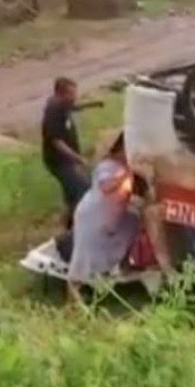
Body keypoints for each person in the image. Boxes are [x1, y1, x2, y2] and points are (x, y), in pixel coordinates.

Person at [66, 133, 139, 304]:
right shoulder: (108, 166)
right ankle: (72, 300)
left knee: (131, 225)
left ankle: (114, 271)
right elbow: (106, 187)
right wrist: (127, 174)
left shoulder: (124, 168)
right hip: (92, 217)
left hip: (112, 218)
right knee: (82, 260)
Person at [41, 77, 102, 227]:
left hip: (68, 160)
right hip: (59, 161)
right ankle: (80, 224)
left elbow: (74, 107)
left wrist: (93, 104)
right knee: (83, 188)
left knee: (71, 193)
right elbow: (57, 142)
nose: (74, 97)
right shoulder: (53, 112)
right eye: (71, 94)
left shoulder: (63, 104)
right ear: (61, 94)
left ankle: (68, 224)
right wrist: (78, 158)